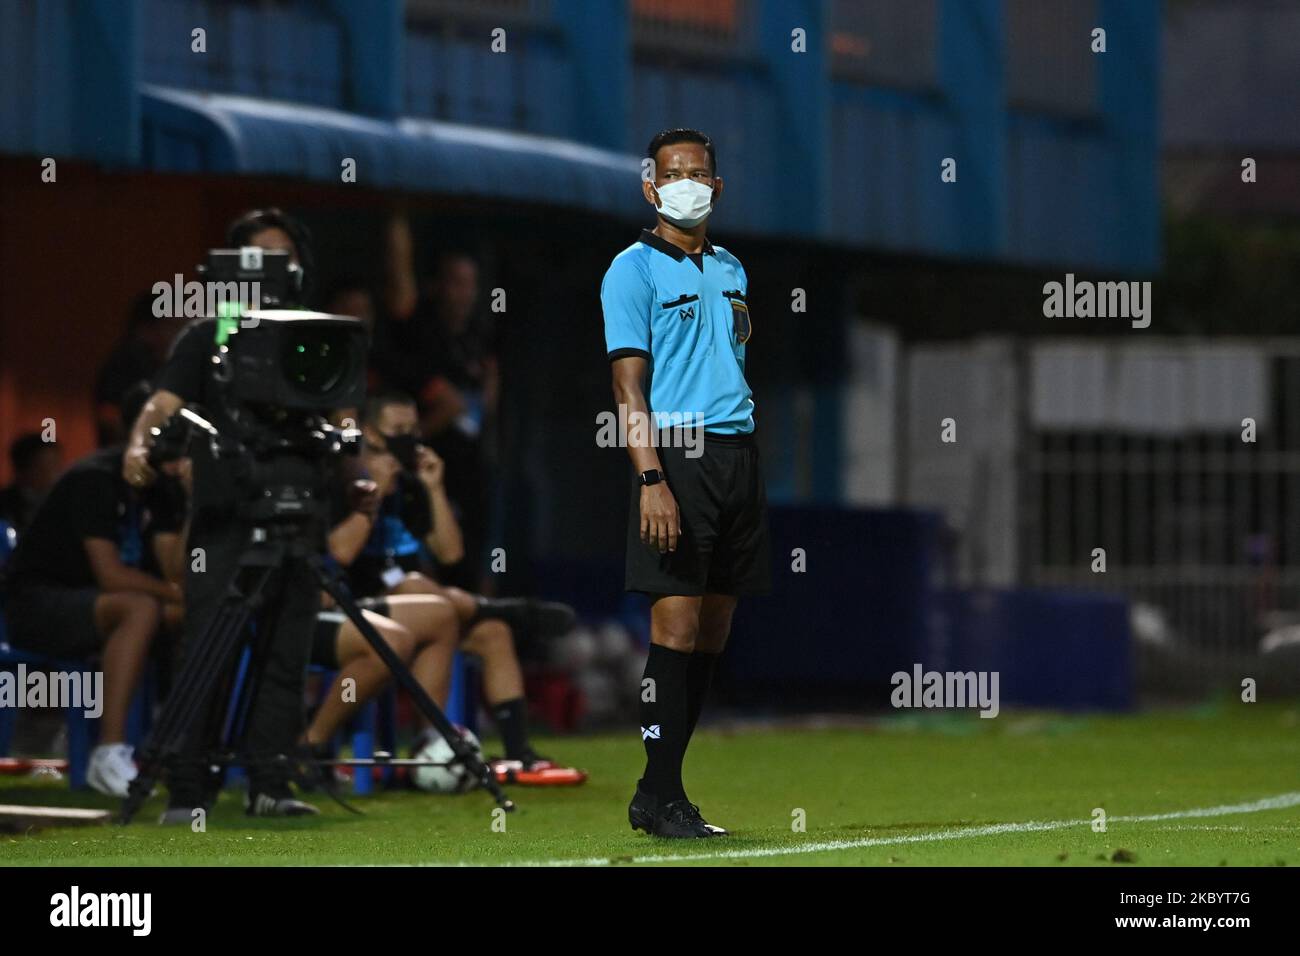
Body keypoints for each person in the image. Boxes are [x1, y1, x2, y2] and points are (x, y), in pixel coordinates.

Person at [123, 208, 325, 821]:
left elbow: (340, 411)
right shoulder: (205, 336)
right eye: (259, 257)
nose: (274, 268)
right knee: (208, 647)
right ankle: (188, 791)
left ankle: (270, 784)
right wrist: (138, 443)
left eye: (284, 255)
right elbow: (164, 401)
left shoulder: (316, 333)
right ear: (233, 268)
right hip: (224, 517)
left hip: (298, 509)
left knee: (286, 654)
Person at [601, 128, 772, 838]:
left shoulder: (731, 267)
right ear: (651, 187)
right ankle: (659, 793)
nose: (687, 183)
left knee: (714, 627)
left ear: (718, 186)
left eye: (699, 173)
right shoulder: (632, 269)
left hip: (737, 454)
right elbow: (626, 388)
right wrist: (651, 478)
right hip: (677, 452)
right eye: (673, 173)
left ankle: (663, 789)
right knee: (673, 622)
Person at [349, 391, 585, 784]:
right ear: (370, 431)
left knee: (492, 632)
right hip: (361, 607)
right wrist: (372, 494)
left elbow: (451, 555)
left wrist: (434, 488)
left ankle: (518, 754)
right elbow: (339, 555)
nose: (407, 439)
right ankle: (505, 608)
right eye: (397, 431)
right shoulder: (350, 477)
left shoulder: (411, 485)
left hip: (427, 610)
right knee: (416, 587)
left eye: (413, 430)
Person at [4, 389, 184, 797]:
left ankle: (182, 751)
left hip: (104, 607)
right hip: (37, 605)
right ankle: (109, 751)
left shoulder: (164, 487)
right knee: (139, 608)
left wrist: (191, 499)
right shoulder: (94, 479)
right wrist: (176, 594)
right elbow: (112, 576)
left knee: (197, 616)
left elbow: (179, 573)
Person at [0, 433, 62, 535]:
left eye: (57, 466)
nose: (55, 474)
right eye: (45, 468)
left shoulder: (63, 503)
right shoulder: (5, 506)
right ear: (23, 469)